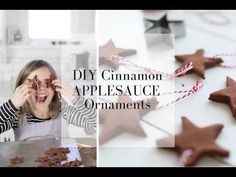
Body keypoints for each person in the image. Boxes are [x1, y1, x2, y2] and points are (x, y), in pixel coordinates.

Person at [0, 60, 96, 141]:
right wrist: (11, 105)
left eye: (47, 83)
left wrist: (76, 98)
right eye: (34, 84)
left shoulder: (64, 112)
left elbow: (95, 125)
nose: (41, 88)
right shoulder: (17, 116)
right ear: (21, 90)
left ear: (55, 89)